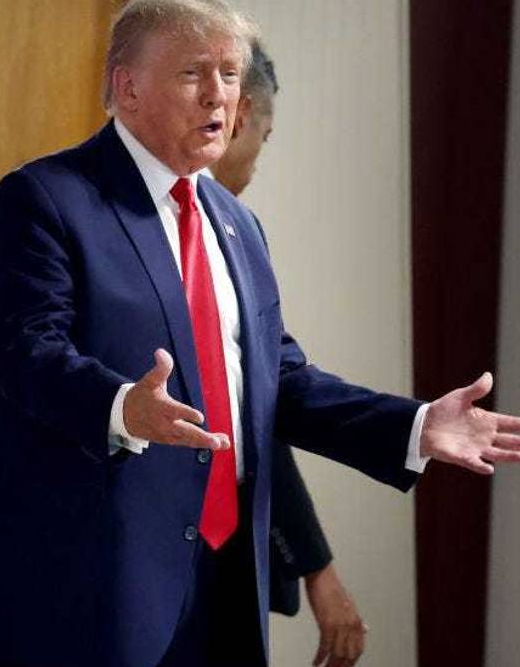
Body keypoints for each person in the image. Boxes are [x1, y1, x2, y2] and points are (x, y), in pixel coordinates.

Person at [0, 0, 520, 667]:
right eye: (193, 73)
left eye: (229, 74)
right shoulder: (48, 198)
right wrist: (120, 406)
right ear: (126, 88)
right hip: (80, 586)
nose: (219, 96)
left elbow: (280, 380)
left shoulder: (236, 223)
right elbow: (24, 353)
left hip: (221, 582)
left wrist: (412, 426)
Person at [208, 42, 367, 667]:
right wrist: (319, 567)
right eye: (265, 139)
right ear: (242, 116)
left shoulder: (238, 231)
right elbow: (251, 418)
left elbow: (271, 392)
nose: (257, 160)